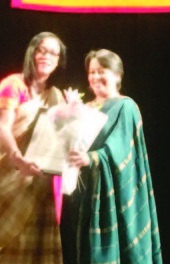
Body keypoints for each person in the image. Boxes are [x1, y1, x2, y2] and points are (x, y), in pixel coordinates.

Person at [60, 49, 163, 263]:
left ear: (117, 75)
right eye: (92, 72)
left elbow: (121, 147)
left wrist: (92, 158)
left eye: (102, 71)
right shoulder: (85, 108)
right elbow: (69, 142)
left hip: (117, 194)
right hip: (86, 193)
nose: (95, 77)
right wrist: (68, 116)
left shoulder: (126, 106)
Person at [0, 32, 67, 264]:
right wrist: (19, 160)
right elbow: (3, 128)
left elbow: (62, 139)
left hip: (38, 182)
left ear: (58, 61)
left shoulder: (55, 96)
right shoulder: (13, 84)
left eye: (53, 53)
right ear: (32, 53)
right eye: (42, 50)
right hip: (5, 177)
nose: (47, 57)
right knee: (4, 252)